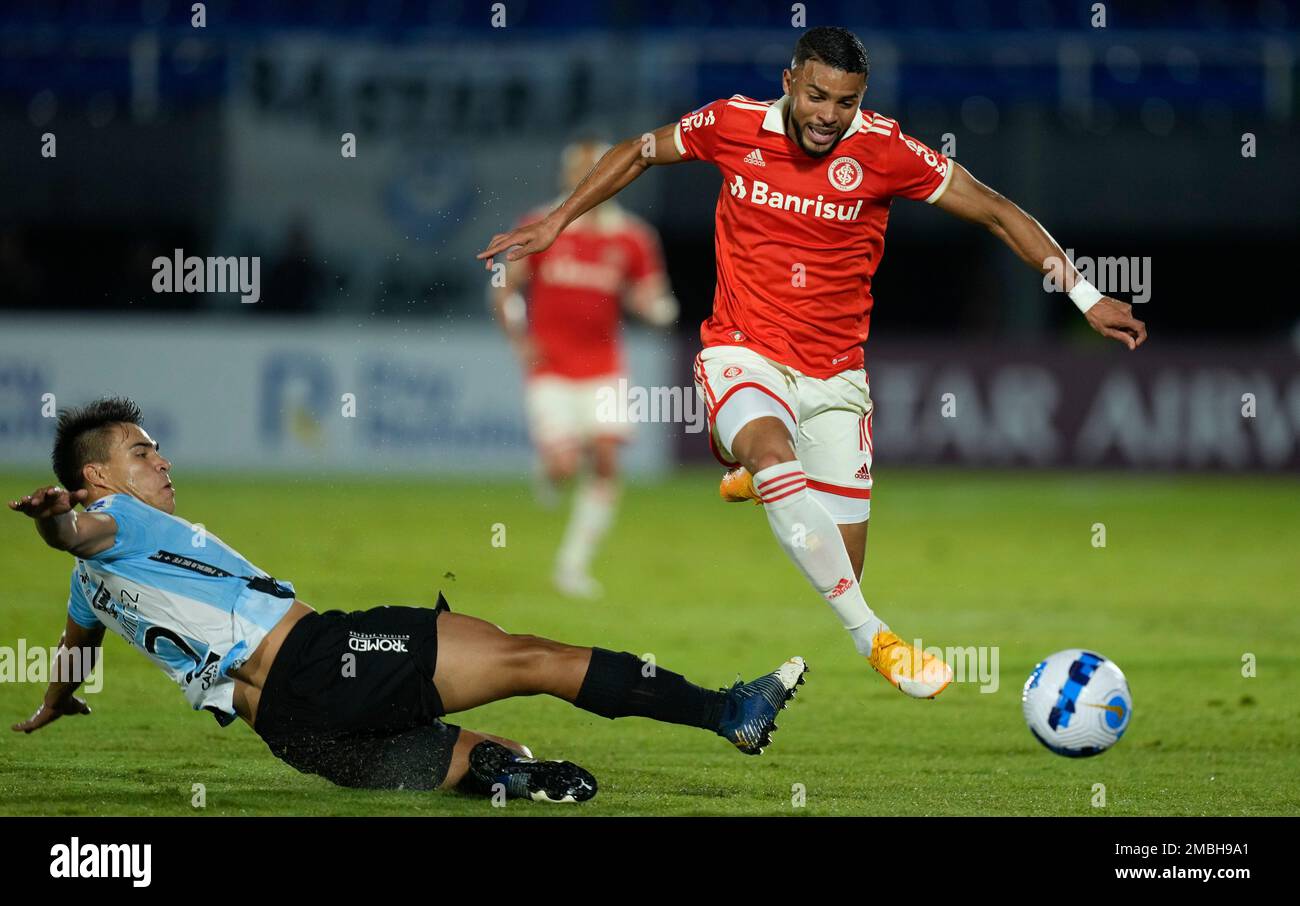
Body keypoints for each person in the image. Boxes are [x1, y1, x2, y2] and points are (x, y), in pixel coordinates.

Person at [478, 26, 1147, 699]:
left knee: (838, 560)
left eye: (847, 102)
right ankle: (875, 636)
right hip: (744, 350)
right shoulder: (731, 123)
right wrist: (559, 220)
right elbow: (639, 151)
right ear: (790, 80)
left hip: (836, 375)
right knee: (775, 458)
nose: (830, 115)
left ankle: (753, 468)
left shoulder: (885, 150)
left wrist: (1085, 294)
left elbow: (998, 211)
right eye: (819, 95)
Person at [9, 397, 807, 803]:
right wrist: (59, 518)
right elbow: (79, 532)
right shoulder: (120, 521)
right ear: (101, 479)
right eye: (144, 452)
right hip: (321, 662)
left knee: (494, 749)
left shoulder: (94, 581)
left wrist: (55, 701)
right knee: (532, 657)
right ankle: (726, 712)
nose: (163, 462)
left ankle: (509, 779)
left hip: (293, 738)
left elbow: (77, 638)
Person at [490, 137, 679, 599]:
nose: (588, 180)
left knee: (607, 460)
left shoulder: (632, 237)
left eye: (597, 172)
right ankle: (549, 470)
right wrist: (517, 337)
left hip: (603, 367)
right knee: (564, 464)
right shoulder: (540, 225)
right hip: (550, 366)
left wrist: (656, 308)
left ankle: (572, 566)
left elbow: (648, 291)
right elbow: (504, 284)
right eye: (580, 172)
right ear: (566, 176)